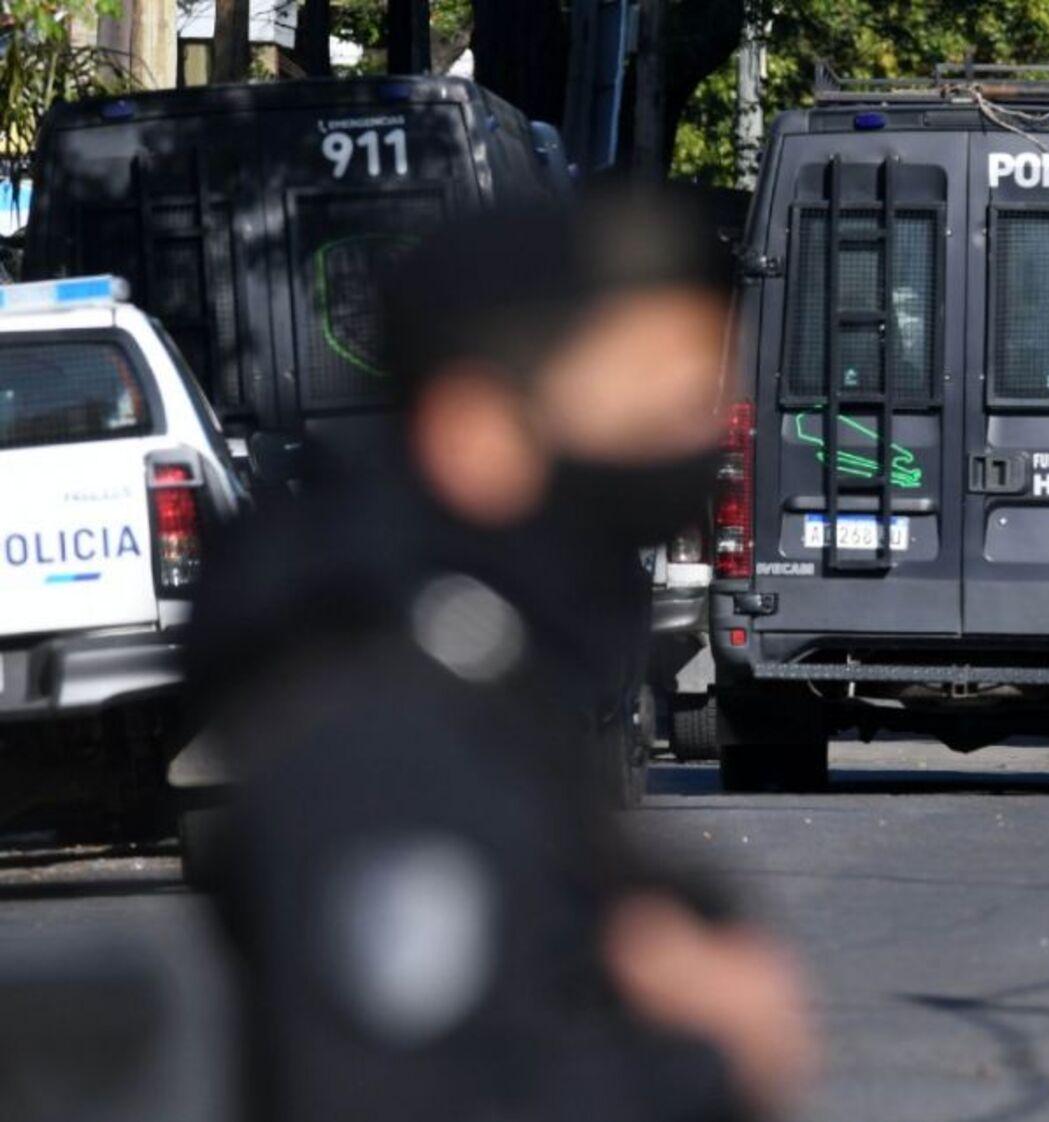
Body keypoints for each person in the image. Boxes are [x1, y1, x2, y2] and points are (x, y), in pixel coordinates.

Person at [188, 195, 814, 1122]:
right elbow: (389, 1091)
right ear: (474, 428)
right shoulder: (381, 732)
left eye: (699, 402)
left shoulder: (490, 671)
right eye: (650, 402)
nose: (687, 446)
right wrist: (711, 1056)